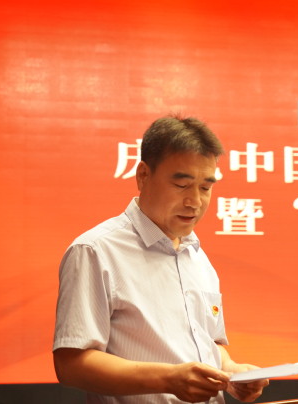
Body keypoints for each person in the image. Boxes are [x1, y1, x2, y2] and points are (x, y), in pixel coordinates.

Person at [53, 115, 269, 403]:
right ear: (143, 175)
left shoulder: (198, 258)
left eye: (205, 188)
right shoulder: (95, 251)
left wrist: (231, 372)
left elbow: (209, 345)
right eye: (182, 185)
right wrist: (168, 379)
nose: (195, 201)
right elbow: (71, 365)